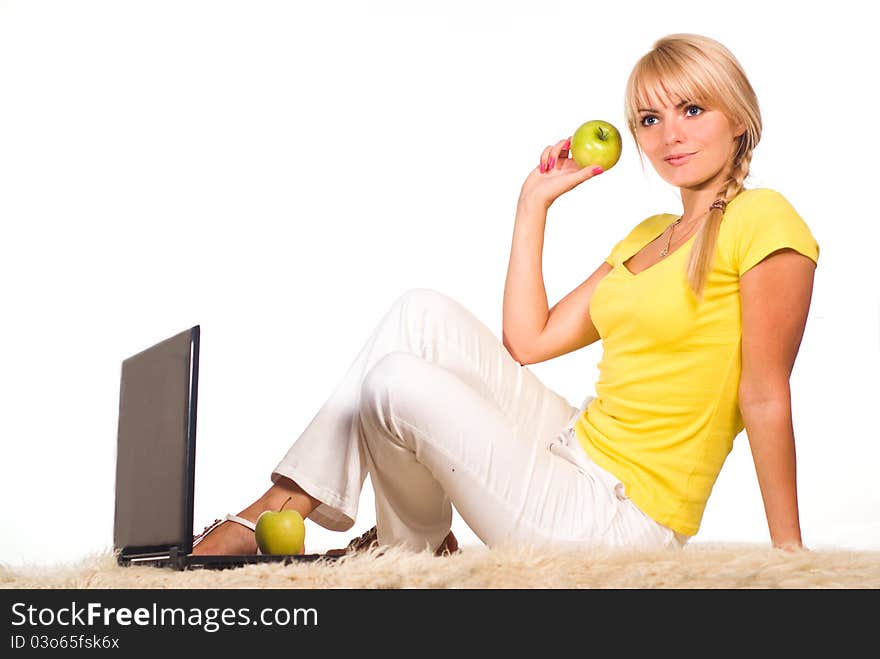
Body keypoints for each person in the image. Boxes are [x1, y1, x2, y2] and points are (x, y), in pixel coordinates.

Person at [192, 33, 819, 557]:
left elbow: (764, 395)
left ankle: (318, 523)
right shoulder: (652, 234)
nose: (669, 136)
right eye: (650, 120)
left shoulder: (761, 218)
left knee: (394, 382)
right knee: (421, 312)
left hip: (618, 518)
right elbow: (529, 340)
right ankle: (397, 539)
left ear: (738, 117)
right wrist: (534, 202)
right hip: (571, 443)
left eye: (692, 110)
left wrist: (789, 558)